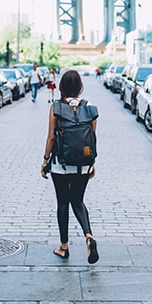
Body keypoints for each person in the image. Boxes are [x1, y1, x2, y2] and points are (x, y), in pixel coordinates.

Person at [41, 69, 99, 264]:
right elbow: (92, 137)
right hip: (83, 165)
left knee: (63, 203)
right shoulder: (89, 107)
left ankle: (64, 247)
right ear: (80, 86)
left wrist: (45, 160)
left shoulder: (56, 107)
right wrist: (92, 163)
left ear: (62, 87)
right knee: (78, 201)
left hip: (60, 165)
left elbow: (51, 137)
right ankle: (88, 236)